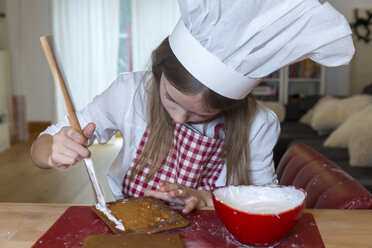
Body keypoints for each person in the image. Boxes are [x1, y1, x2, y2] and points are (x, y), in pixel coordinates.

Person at [31, 0, 354, 214]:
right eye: (171, 99)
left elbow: (262, 198)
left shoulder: (258, 123)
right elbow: (42, 146)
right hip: (129, 215)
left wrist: (204, 199)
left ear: (229, 106)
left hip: (212, 225)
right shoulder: (128, 91)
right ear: (158, 72)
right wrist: (52, 150)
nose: (180, 118)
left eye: (201, 115)